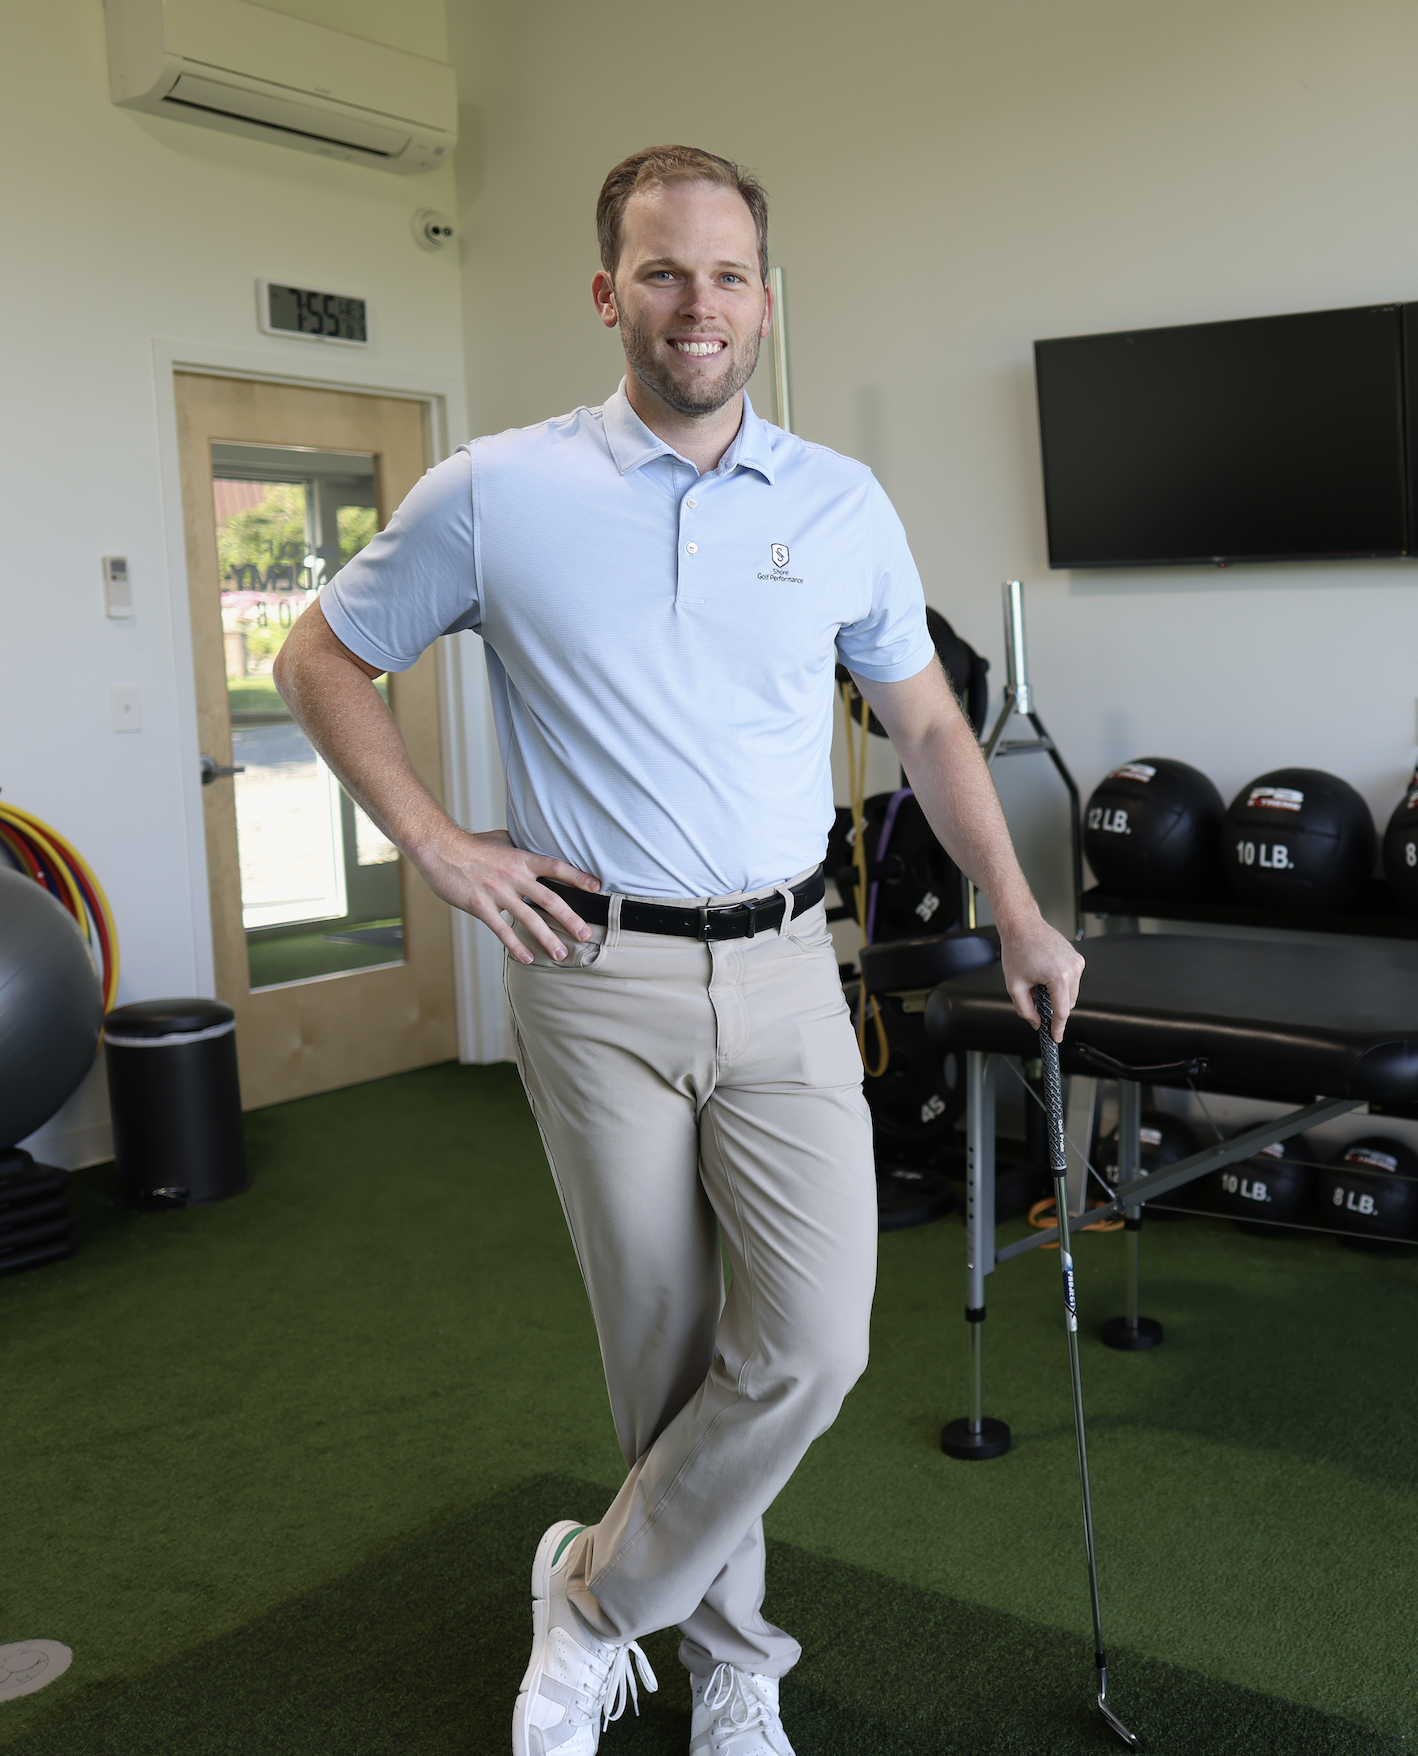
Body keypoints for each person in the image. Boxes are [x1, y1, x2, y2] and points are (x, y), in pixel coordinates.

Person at [274, 144, 1084, 1756]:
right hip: (595, 978)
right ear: (607, 294)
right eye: (660, 271)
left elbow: (927, 723)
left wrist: (1016, 905)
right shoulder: (497, 491)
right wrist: (435, 842)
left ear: (764, 301)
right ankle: (732, 1663)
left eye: (724, 275)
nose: (694, 304)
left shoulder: (839, 503)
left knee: (813, 1344)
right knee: (661, 1353)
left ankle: (588, 1600)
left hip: (786, 969)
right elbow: (318, 658)